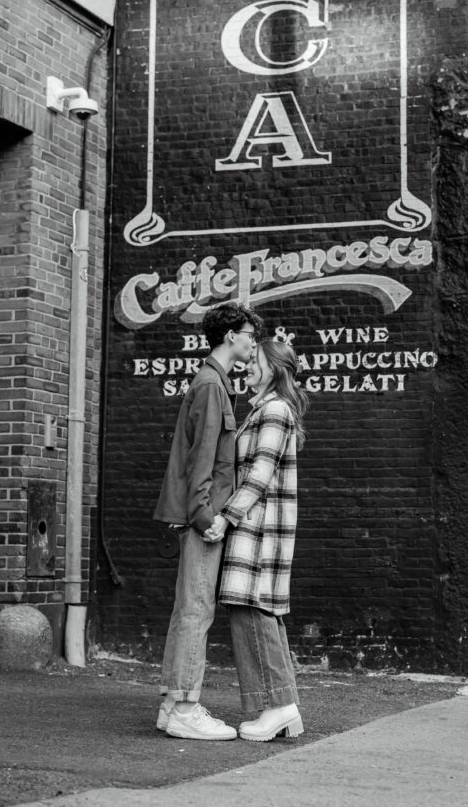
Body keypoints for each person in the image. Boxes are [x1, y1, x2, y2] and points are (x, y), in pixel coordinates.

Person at [153, 302, 262, 741]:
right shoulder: (212, 386)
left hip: (204, 513)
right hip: (206, 516)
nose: (254, 342)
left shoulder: (211, 382)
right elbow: (202, 463)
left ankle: (171, 704)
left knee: (189, 608)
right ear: (230, 336)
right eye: (249, 334)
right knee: (198, 609)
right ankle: (184, 707)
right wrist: (205, 518)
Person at [204, 338, 309, 742]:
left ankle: (279, 706)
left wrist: (225, 519)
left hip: (259, 529)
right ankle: (281, 706)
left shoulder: (275, 410)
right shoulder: (264, 410)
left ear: (274, 370)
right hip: (259, 526)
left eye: (256, 362)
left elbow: (258, 475)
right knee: (258, 611)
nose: (247, 365)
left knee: (253, 612)